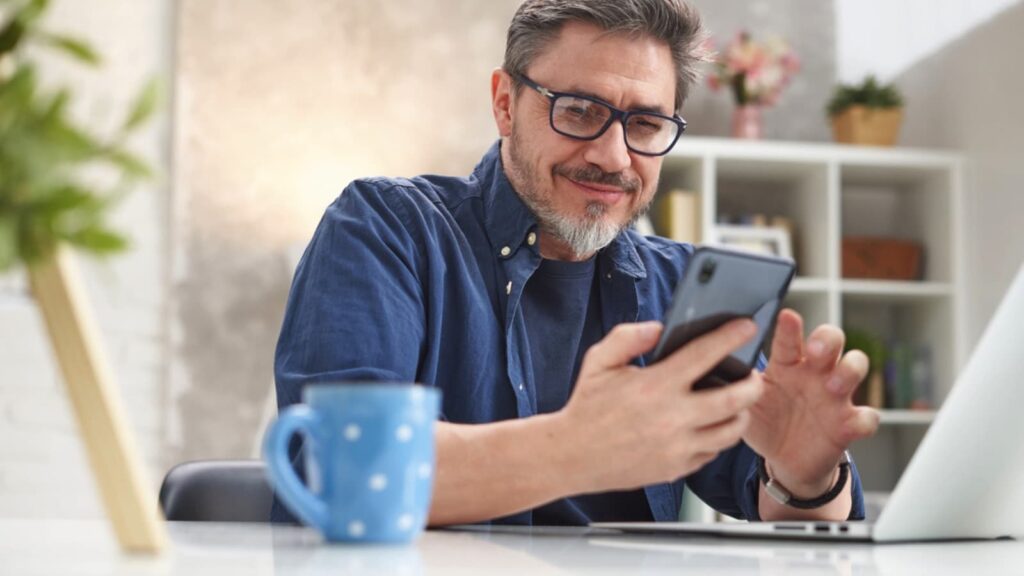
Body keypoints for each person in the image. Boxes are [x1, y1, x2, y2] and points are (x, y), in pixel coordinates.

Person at [273, 0, 879, 526]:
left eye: (645, 124)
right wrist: (577, 448)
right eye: (580, 111)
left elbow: (788, 515)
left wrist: (806, 474)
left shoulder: (681, 285)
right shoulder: (386, 228)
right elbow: (343, 471)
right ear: (505, 104)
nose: (614, 157)